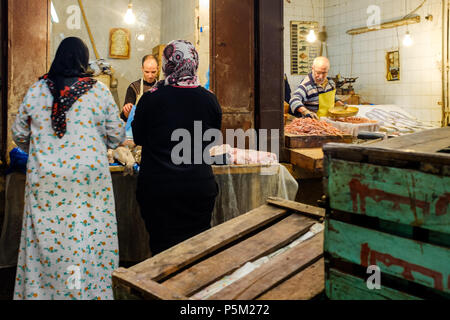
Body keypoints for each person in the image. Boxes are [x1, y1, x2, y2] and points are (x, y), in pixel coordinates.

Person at [11, 37, 125, 300]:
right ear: (83, 61)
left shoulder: (36, 90)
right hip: (87, 186)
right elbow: (117, 136)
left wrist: (42, 149)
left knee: (46, 244)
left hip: (45, 184)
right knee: (83, 242)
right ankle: (81, 293)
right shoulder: (99, 92)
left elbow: (19, 134)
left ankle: (44, 294)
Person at [132, 40, 222, 255]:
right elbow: (211, 141)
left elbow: (139, 137)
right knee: (197, 252)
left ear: (166, 64)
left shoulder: (150, 99)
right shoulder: (209, 100)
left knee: (162, 252)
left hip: (159, 191)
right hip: (198, 189)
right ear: (194, 62)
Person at [120, 55, 159, 121]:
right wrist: (127, 110)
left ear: (158, 69)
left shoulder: (162, 87)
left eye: (153, 72)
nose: (150, 76)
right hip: (138, 126)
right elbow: (124, 117)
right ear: (142, 69)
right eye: (147, 72)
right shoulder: (134, 87)